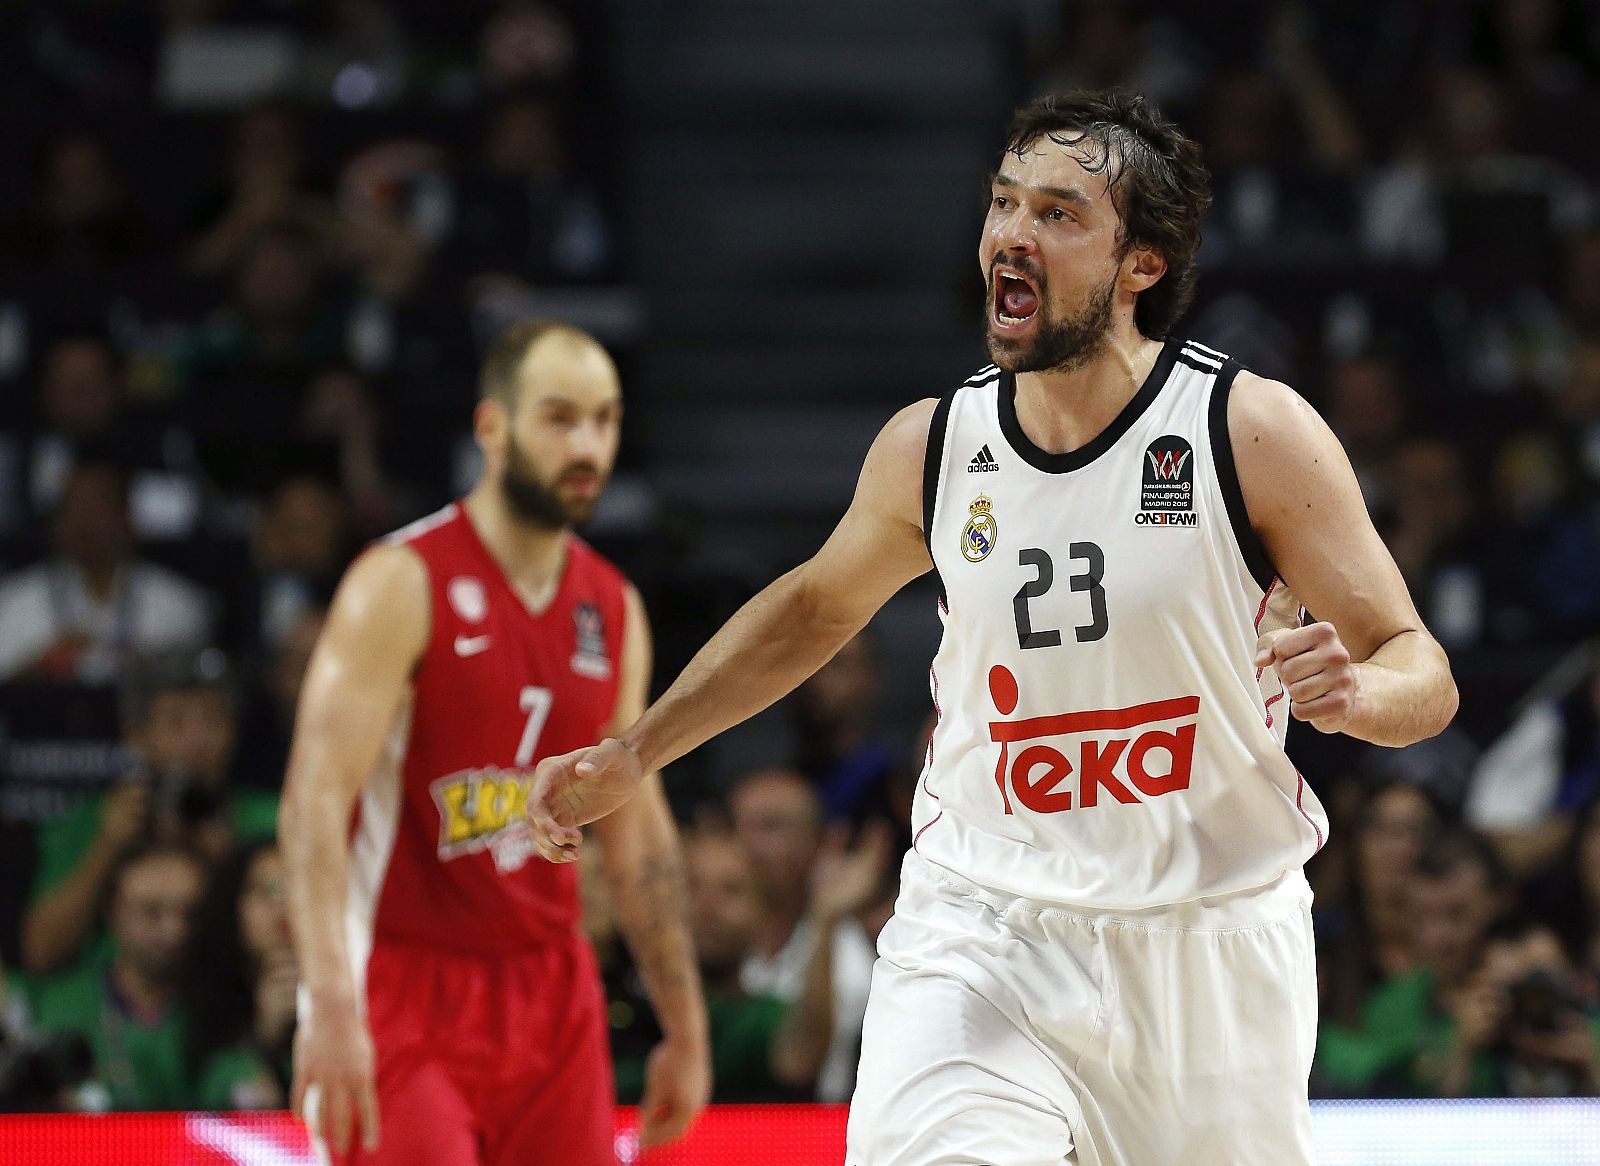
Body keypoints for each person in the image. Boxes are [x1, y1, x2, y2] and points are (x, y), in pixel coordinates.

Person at [528, 90, 1458, 1165]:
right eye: (1003, 203)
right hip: (984, 920)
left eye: (1060, 214)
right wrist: (638, 748)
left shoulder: (1243, 429)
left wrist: (1356, 695)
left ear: (1140, 264)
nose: (1013, 233)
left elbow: (1418, 666)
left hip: (1208, 934)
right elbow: (814, 606)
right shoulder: (933, 446)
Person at [280, 320, 709, 1164]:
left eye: (605, 419)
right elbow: (313, 803)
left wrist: (685, 1028)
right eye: (559, 418)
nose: (587, 445)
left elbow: (638, 829)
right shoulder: (398, 582)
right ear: (492, 428)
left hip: (552, 989)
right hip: (404, 982)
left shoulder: (613, 607)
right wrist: (329, 1000)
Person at [23, 645, 274, 975]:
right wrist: (107, 847)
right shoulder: (93, 820)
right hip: (108, 1012)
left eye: (213, 719)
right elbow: (42, 954)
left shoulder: (271, 821)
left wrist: (228, 866)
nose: (197, 739)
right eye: (175, 720)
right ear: (135, 736)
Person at [728, 768, 883, 1102]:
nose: (748, 845)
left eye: (770, 828)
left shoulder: (846, 953)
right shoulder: (715, 942)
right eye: (738, 826)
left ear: (816, 842)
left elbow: (802, 1068)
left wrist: (824, 921)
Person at [23, 843, 206, 1111]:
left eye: (190, 913)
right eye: (151, 912)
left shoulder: (226, 1005)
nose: (175, 931)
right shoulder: (59, 1007)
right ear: (113, 911)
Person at [0, 454, 211, 684]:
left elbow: (197, 694)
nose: (86, 523)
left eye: (98, 508)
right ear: (55, 524)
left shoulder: (180, 606)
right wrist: (41, 667)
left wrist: (144, 666)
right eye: (73, 508)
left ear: (128, 518)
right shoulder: (12, 602)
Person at [181, 840, 298, 1110]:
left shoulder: (357, 986)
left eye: (297, 890)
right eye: (266, 891)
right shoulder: (205, 994)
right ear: (235, 906)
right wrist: (264, 1040)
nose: (283, 907)